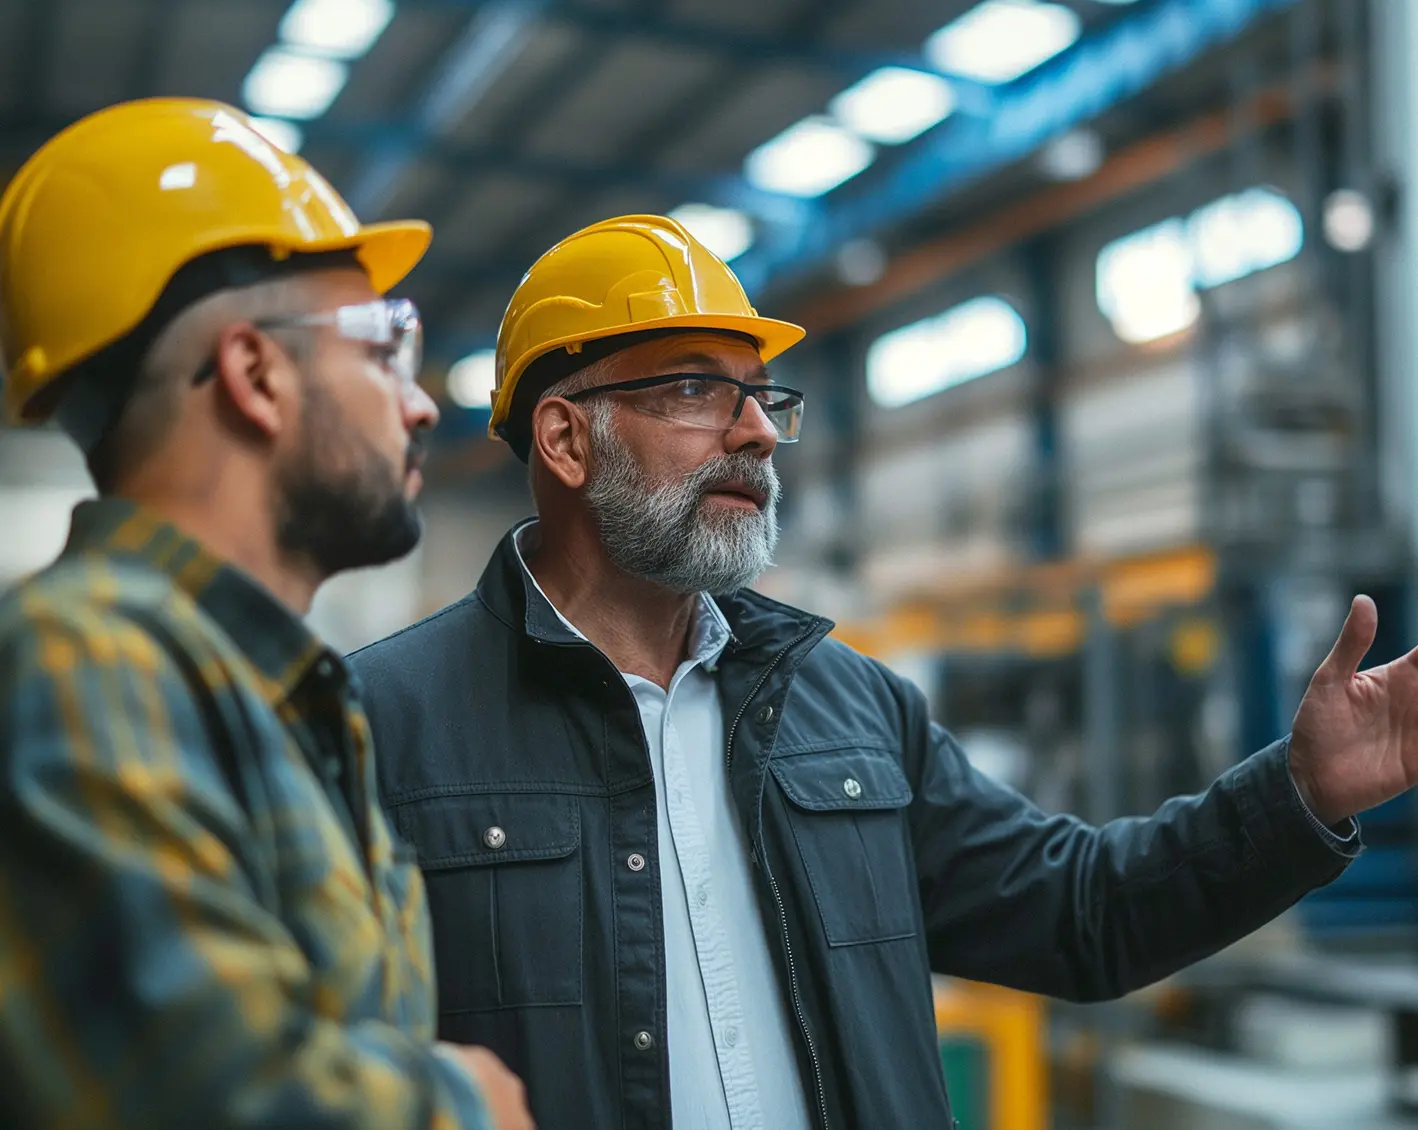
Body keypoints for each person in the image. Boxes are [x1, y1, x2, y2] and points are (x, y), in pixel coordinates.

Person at [348, 213, 1416, 1130]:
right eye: (693, 389)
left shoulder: (845, 707)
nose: (757, 431)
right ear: (565, 438)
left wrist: (1300, 792)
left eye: (762, 396)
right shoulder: (380, 725)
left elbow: (1085, 911)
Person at [0, 98, 533, 1130]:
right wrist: (468, 1103)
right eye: (383, 345)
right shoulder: (83, 661)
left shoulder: (273, 699)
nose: (419, 402)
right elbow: (214, 1095)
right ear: (254, 374)